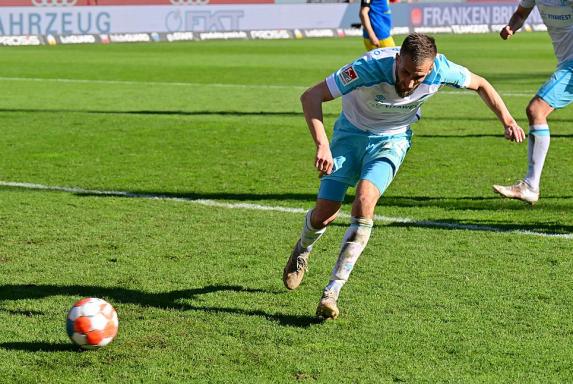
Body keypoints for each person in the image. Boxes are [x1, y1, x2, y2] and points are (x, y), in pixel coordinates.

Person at [282, 33, 525, 320]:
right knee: (324, 214)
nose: (409, 82)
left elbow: (481, 83)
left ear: (432, 69)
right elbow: (311, 96)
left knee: (365, 200)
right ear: (397, 59)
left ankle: (332, 291)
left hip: (392, 141)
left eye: (418, 76)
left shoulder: (443, 70)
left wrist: (507, 119)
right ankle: (303, 249)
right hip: (349, 136)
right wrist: (322, 144)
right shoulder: (368, 67)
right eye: (405, 72)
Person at [492, 0, 572, 204]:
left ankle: (530, 185)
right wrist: (512, 26)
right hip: (566, 62)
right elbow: (521, 14)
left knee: (536, 110)